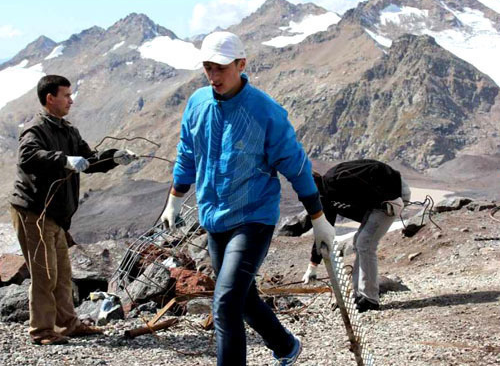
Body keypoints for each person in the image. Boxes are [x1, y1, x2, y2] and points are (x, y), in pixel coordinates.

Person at [161, 31, 335, 366]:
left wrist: (318, 219)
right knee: (242, 297)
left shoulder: (266, 112)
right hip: (214, 217)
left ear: (241, 64)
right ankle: (286, 347)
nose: (213, 76)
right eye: (208, 68)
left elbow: (297, 167)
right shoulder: (197, 104)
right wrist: (174, 198)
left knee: (225, 303)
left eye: (220, 68)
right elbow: (187, 154)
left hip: (253, 218)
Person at [9, 75, 138, 345]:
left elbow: (88, 160)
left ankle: (67, 324)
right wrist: (63, 160)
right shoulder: (36, 129)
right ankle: (42, 331)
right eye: (66, 95)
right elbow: (27, 157)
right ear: (50, 98)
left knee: (63, 272)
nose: (71, 100)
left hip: (55, 215)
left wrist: (114, 157)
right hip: (34, 211)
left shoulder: (67, 130)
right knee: (44, 273)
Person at [301, 159, 411, 313]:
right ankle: (359, 293)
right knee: (359, 242)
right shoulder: (326, 199)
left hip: (392, 194)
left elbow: (376, 168)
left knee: (365, 243)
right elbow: (324, 230)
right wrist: (313, 265)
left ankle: (370, 299)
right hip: (378, 204)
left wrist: (391, 196)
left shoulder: (337, 178)